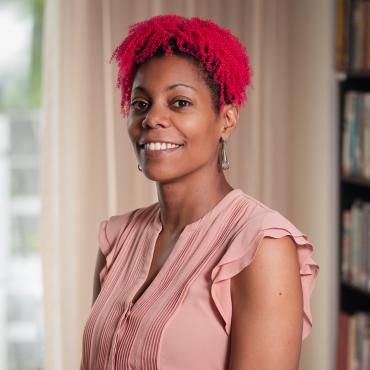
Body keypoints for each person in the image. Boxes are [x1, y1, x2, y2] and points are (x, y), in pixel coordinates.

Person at [81, 14, 320, 370]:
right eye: (141, 103)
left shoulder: (261, 247)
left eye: (179, 103)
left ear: (226, 120)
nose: (151, 119)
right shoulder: (118, 239)